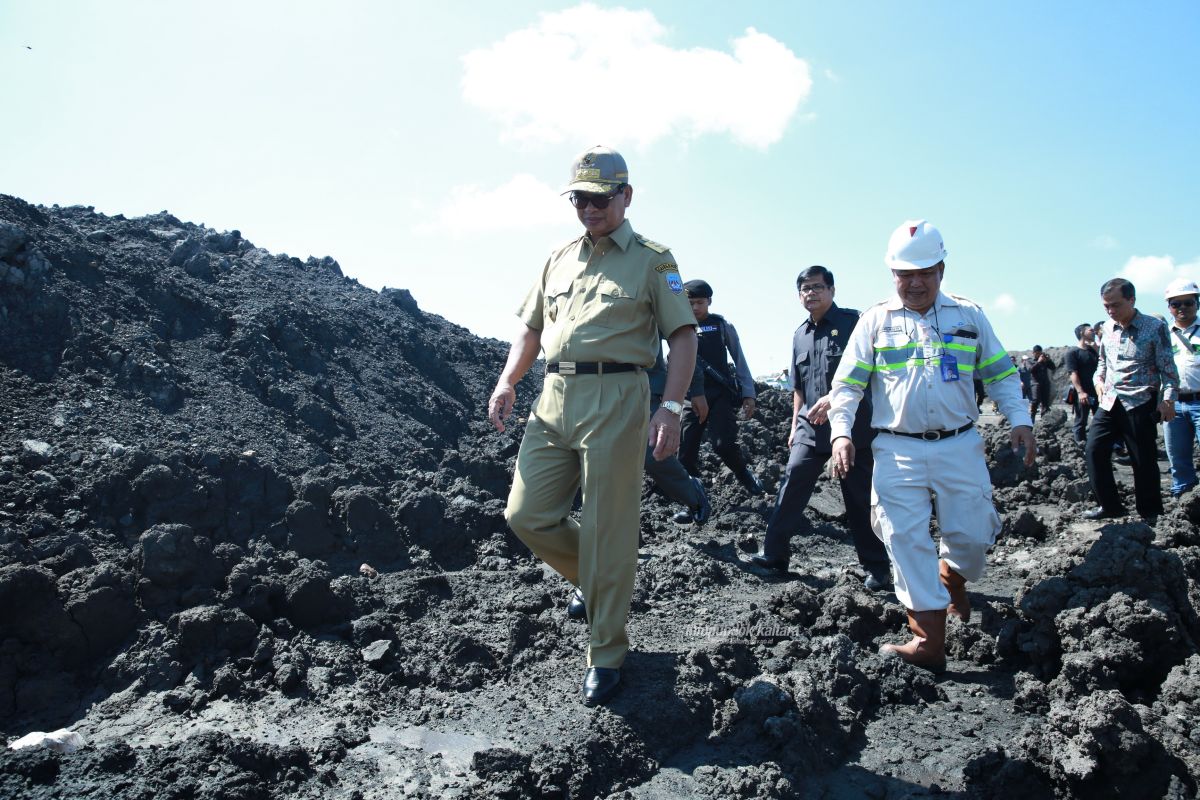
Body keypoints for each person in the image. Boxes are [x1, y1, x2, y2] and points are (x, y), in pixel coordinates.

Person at [488, 146, 697, 705]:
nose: (589, 208)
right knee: (526, 513)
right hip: (554, 394)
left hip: (618, 394)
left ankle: (607, 651)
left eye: (600, 198)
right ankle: (598, 579)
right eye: (580, 198)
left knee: (607, 526)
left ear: (626, 196)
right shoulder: (556, 257)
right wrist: (509, 380)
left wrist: (670, 408)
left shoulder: (654, 261)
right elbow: (530, 330)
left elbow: (683, 336)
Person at [828, 219, 1036, 671]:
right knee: (904, 539)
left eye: (925, 272)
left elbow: (1000, 374)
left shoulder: (969, 316)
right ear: (892, 275)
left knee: (973, 537)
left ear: (942, 268)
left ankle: (953, 576)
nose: (916, 282)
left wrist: (1019, 418)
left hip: (958, 446)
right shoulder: (874, 322)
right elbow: (846, 386)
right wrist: (841, 432)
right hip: (896, 449)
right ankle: (927, 640)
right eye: (906, 274)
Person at [749, 266, 891, 590]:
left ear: (832, 290)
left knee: (858, 497)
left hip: (853, 428)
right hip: (809, 429)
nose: (810, 293)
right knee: (791, 485)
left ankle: (877, 567)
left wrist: (835, 398)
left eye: (817, 287)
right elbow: (798, 387)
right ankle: (774, 556)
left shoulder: (855, 323)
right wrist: (793, 425)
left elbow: (872, 374)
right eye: (804, 289)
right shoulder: (799, 334)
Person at [1083, 278, 1178, 521]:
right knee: (1094, 450)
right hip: (1110, 401)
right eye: (1106, 306)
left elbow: (1168, 369)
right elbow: (1103, 363)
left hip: (1139, 401)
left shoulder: (1154, 327)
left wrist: (1167, 400)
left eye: (1115, 305)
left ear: (1132, 300)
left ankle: (1150, 512)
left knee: (1142, 459)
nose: (1111, 311)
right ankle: (1110, 506)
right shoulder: (1106, 328)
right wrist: (1098, 381)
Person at [677, 280, 764, 514]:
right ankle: (694, 501)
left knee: (723, 445)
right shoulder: (678, 327)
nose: (695, 308)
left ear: (709, 302)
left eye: (700, 302)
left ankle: (745, 476)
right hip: (689, 397)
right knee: (685, 451)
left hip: (720, 395)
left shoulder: (722, 326)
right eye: (690, 303)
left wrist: (748, 394)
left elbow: (740, 359)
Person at [1163, 278, 1200, 497]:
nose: (1182, 308)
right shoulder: (1163, 336)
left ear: (1197, 303)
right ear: (1169, 307)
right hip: (1173, 405)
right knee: (1177, 458)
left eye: (1187, 302)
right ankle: (1183, 500)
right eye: (1176, 304)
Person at [1065, 323, 1099, 444]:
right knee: (1081, 421)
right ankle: (1080, 448)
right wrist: (1080, 392)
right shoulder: (1073, 352)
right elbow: (1073, 373)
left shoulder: (1094, 351)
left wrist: (1096, 348)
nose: (1093, 332)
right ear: (1082, 333)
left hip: (1098, 391)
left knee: (1101, 420)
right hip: (1083, 392)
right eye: (1090, 330)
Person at [1028, 345, 1055, 423]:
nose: (1039, 355)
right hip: (1035, 383)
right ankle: (1032, 417)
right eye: (1037, 353)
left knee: (1045, 403)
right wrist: (1038, 362)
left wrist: (1049, 360)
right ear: (1033, 353)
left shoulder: (1044, 361)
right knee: (1035, 400)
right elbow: (1031, 370)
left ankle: (1044, 420)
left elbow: (1053, 367)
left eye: (1040, 353)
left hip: (1045, 383)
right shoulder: (1030, 361)